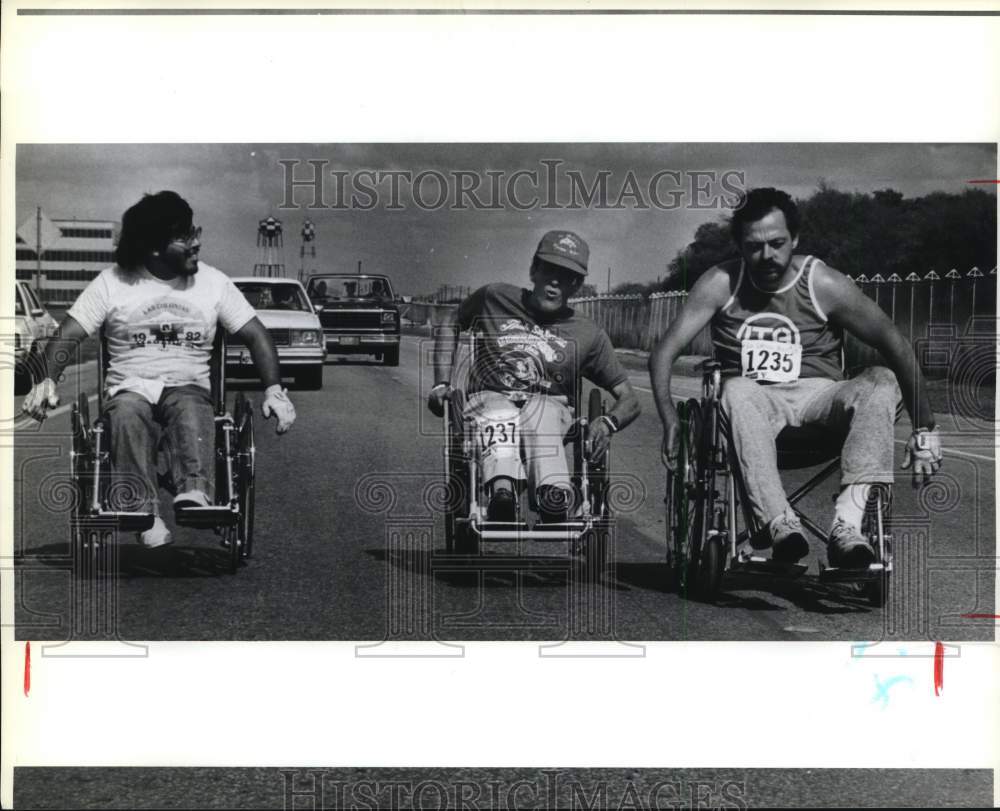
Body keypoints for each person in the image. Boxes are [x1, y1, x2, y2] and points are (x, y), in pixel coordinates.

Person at [649, 187, 943, 568]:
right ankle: (779, 523)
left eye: (777, 243)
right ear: (739, 244)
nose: (767, 256)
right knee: (735, 389)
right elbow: (664, 351)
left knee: (880, 380)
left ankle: (848, 526)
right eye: (755, 246)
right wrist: (670, 419)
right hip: (752, 404)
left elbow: (895, 343)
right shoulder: (720, 283)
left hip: (819, 399)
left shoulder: (822, 283)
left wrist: (925, 429)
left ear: (795, 239)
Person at [22, 191, 297, 548]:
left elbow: (256, 334)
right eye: (184, 237)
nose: (197, 242)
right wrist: (46, 379)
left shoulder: (213, 283)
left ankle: (194, 493)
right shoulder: (112, 283)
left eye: (195, 231)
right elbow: (68, 335)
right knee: (125, 412)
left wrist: (274, 390)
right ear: (153, 248)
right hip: (130, 387)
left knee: (192, 406)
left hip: (188, 385)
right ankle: (141, 510)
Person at [428, 230, 641, 522]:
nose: (555, 282)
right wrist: (442, 382)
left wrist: (607, 422)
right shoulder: (495, 297)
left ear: (576, 285)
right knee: (499, 411)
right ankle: (502, 491)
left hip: (550, 406)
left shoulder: (588, 333)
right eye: (549, 270)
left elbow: (629, 398)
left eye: (566, 276)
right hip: (489, 397)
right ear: (533, 270)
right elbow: (451, 320)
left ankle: (553, 494)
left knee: (540, 414)